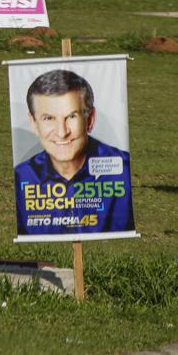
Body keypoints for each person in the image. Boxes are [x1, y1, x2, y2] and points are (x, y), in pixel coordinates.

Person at [14, 69, 133, 236]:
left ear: (90, 119)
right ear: (33, 123)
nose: (62, 132)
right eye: (49, 118)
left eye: (71, 116)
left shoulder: (123, 171)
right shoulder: (22, 177)